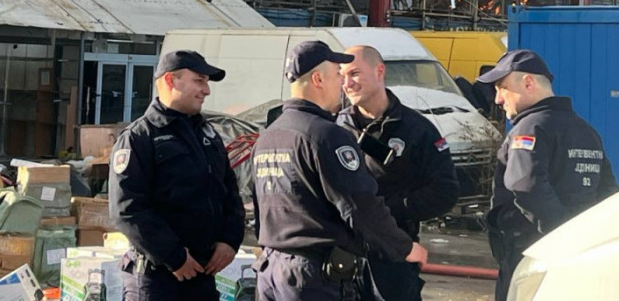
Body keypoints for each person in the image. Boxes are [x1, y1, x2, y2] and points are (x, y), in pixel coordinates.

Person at [252, 40, 428, 301]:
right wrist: (403, 248)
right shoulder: (326, 135)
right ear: (318, 79)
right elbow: (359, 206)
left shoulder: (268, 136)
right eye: (337, 75)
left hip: (271, 272)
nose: (343, 84)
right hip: (312, 278)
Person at [477, 49, 619, 301]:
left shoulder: (530, 128)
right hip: (578, 254)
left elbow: (526, 185)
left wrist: (559, 236)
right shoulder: (585, 131)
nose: (498, 99)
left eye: (502, 88)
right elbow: (608, 192)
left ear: (528, 83)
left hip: (534, 252)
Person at [109, 50, 244, 301]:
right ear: (171, 80)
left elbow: (229, 192)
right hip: (158, 277)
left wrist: (230, 240)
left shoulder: (207, 134)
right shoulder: (139, 137)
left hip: (202, 274)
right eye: (199, 81)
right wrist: (174, 257)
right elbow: (127, 209)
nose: (206, 90)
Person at [337, 45, 460, 300]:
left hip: (393, 255)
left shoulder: (416, 129)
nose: (347, 84)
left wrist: (388, 211)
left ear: (379, 71)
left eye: (355, 74)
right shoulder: (334, 128)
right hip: (342, 255)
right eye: (342, 76)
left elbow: (445, 191)